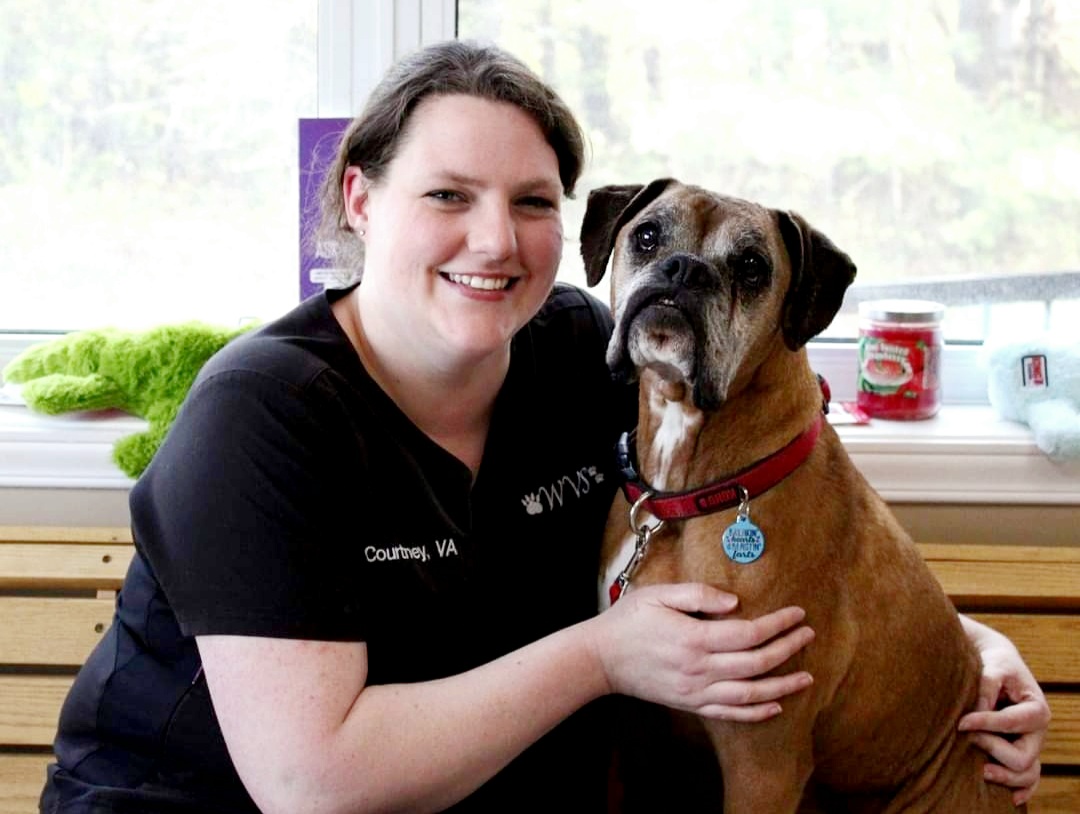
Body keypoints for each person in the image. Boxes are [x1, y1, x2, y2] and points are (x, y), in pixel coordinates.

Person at [41, 39, 1049, 814]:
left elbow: (789, 514)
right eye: (447, 195)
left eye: (531, 201)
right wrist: (606, 654)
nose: (495, 239)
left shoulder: (578, 350)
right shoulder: (261, 417)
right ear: (360, 196)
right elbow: (315, 782)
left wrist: (961, 653)